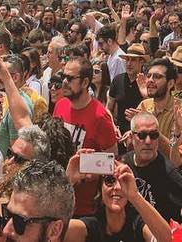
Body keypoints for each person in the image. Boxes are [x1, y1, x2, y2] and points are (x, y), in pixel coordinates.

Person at [53, 57, 119, 217]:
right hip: (57, 199)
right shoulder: (60, 105)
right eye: (63, 76)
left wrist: (85, 168)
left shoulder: (100, 117)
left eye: (70, 78)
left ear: (85, 82)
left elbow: (112, 160)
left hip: (83, 209)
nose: (64, 82)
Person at [119, 111, 182, 222]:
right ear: (132, 137)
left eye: (153, 135)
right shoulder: (123, 164)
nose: (148, 141)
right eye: (142, 135)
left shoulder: (170, 174)